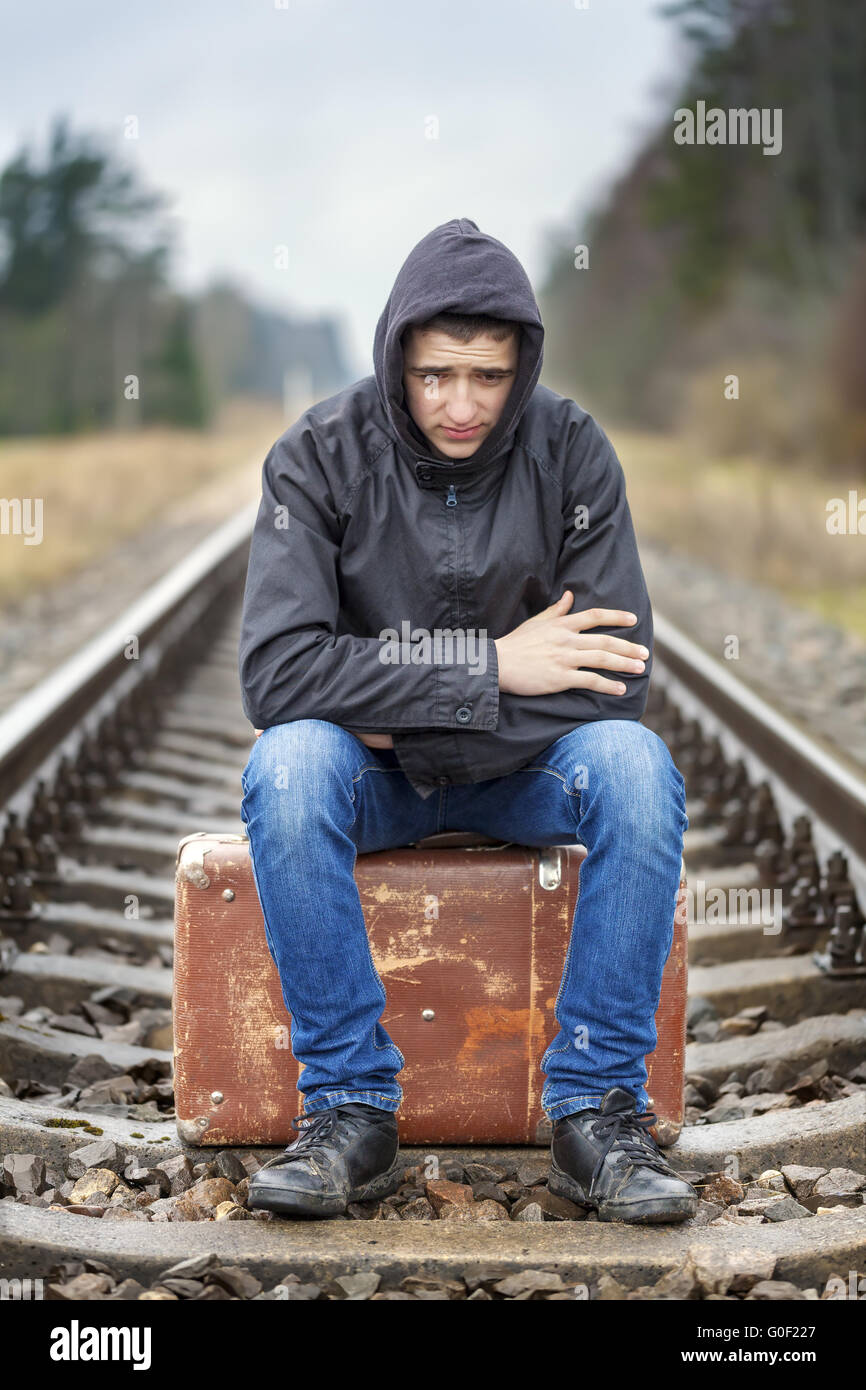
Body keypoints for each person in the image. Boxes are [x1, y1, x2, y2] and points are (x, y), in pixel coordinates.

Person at [237, 218, 696, 1224]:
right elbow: (276, 676)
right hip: (374, 785)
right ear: (397, 356)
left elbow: (611, 683)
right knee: (289, 765)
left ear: (519, 364)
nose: (458, 404)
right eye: (434, 375)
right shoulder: (316, 455)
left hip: (517, 778)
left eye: (486, 377)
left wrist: (386, 709)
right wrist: (493, 665)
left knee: (631, 765)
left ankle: (595, 1115)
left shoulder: (571, 451)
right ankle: (351, 1112)